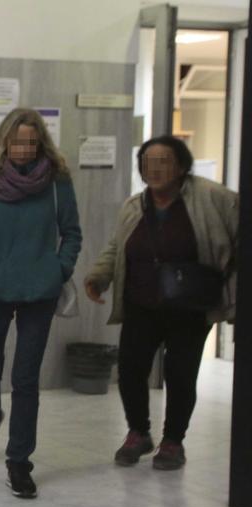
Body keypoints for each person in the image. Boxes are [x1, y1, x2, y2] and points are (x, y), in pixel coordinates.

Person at [0, 108, 82, 499]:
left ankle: (19, 462)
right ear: (4, 142)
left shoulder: (57, 182)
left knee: (26, 380)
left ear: (41, 144)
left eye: (32, 142)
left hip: (40, 294)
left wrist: (59, 270)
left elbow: (72, 233)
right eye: (17, 141)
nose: (24, 149)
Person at [85, 135, 237, 470]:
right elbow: (117, 247)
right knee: (130, 370)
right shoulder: (133, 206)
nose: (155, 169)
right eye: (148, 162)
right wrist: (99, 275)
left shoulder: (212, 198)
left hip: (190, 305)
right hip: (141, 302)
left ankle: (173, 442)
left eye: (164, 161)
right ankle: (139, 432)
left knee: (181, 375)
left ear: (182, 166)